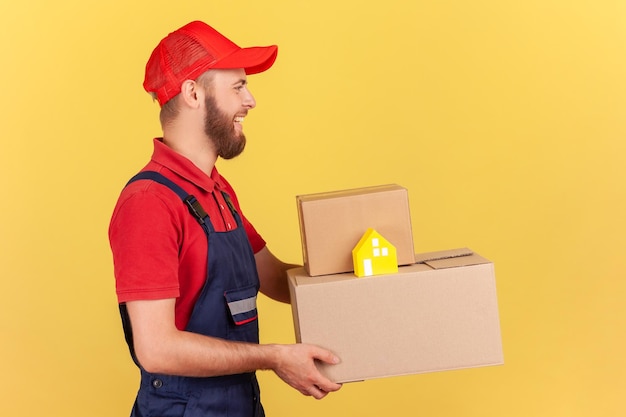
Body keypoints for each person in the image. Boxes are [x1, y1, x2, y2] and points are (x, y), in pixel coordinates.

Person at [109, 20, 342, 417]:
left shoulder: (218, 191)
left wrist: (355, 276)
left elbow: (274, 277)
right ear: (193, 93)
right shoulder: (149, 203)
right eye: (237, 87)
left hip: (240, 405)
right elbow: (155, 348)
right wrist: (274, 357)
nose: (250, 101)